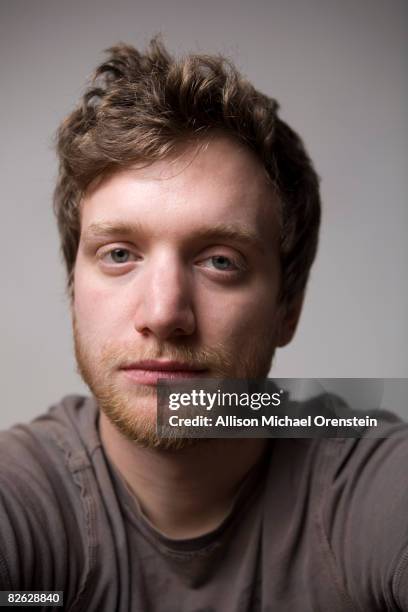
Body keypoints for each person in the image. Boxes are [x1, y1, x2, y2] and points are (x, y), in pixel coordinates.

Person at [0, 36, 407, 612]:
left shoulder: (366, 478)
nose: (164, 314)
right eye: (119, 254)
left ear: (287, 306)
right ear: (74, 290)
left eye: (220, 261)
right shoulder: (23, 496)